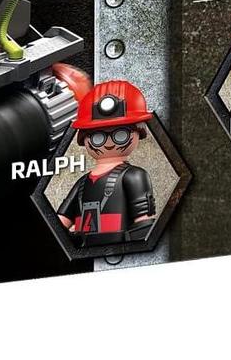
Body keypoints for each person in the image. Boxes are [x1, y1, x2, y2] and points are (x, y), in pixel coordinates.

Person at [57, 80, 156, 247]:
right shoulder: (82, 183)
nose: (109, 142)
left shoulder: (134, 176)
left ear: (139, 132)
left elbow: (144, 224)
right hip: (84, 253)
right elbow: (59, 223)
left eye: (120, 134)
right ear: (84, 138)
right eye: (98, 137)